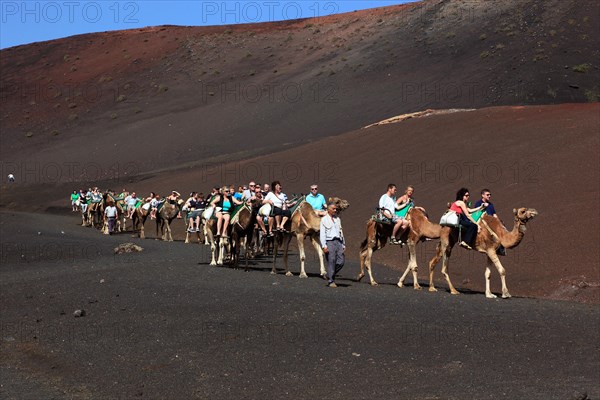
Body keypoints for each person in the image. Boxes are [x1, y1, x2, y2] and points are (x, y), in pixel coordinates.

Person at [320, 202, 345, 288]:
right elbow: (322, 234)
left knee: (341, 261)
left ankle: (330, 273)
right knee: (331, 261)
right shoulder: (324, 220)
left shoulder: (337, 219)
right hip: (329, 242)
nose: (335, 210)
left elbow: (341, 231)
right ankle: (331, 281)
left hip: (338, 242)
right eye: (333, 209)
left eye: (336, 209)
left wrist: (343, 243)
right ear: (329, 209)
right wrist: (324, 246)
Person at [474, 189, 506, 256]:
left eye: (490, 195)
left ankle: (501, 248)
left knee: (502, 227)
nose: (489, 196)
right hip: (483, 222)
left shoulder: (491, 204)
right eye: (487, 195)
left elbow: (494, 214)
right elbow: (477, 214)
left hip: (492, 222)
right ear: (482, 195)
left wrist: (499, 222)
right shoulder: (478, 203)